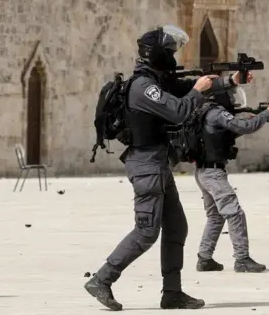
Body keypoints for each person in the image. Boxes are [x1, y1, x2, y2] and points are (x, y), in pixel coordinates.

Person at [84, 25, 248, 311]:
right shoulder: (142, 87)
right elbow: (180, 109)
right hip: (146, 165)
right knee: (146, 231)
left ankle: (172, 293)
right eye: (170, 51)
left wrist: (230, 81)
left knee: (176, 227)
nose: (173, 56)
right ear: (157, 53)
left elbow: (183, 89)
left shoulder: (156, 81)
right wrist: (198, 90)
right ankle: (102, 279)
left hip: (157, 163)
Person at [194, 87, 269, 273]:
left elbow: (226, 134)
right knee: (235, 214)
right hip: (213, 174)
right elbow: (245, 128)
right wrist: (265, 114)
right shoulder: (217, 113)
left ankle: (205, 258)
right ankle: (242, 259)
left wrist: (252, 118)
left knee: (216, 216)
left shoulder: (204, 112)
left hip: (204, 171)